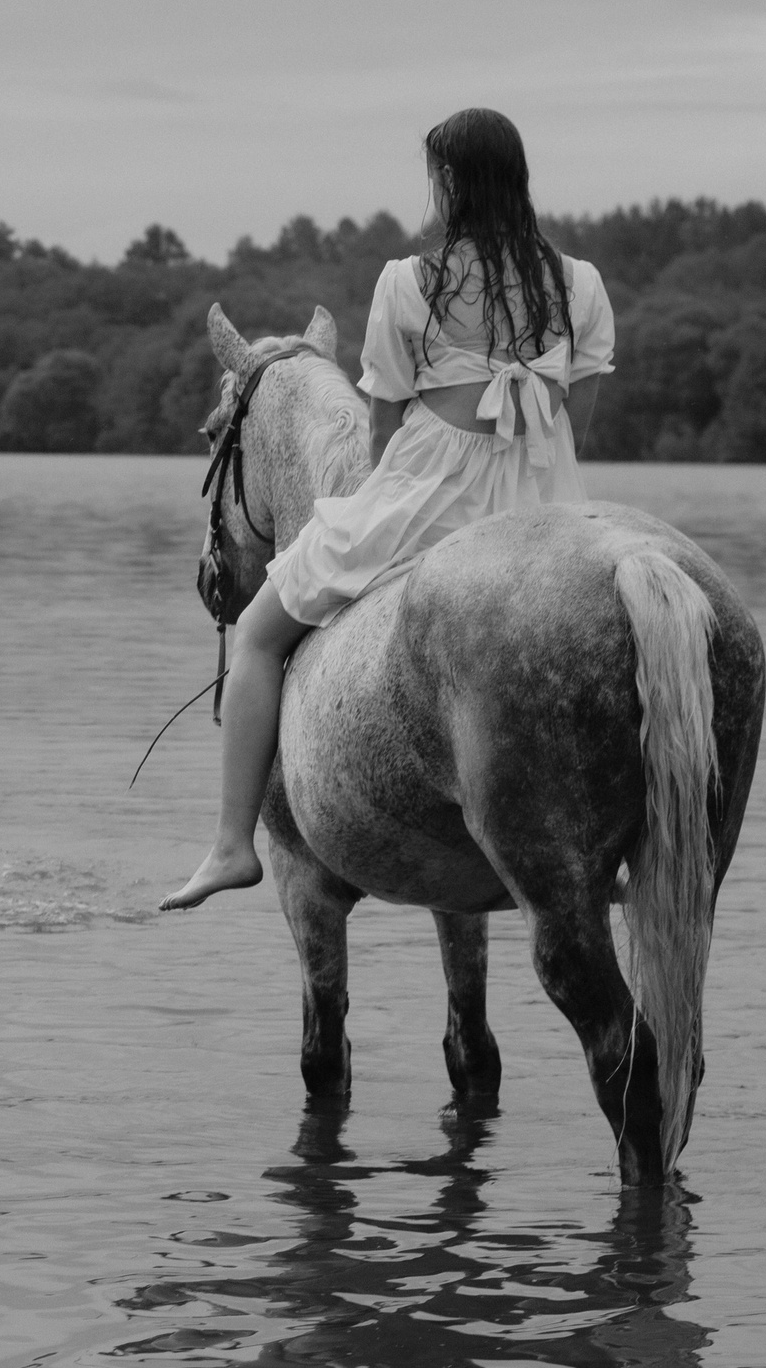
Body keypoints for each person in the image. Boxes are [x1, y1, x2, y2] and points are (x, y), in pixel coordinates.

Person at [163, 107, 616, 911]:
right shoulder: (579, 284)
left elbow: (383, 420)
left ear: (450, 182)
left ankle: (232, 844)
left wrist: (373, 497)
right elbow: (578, 420)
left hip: (430, 493)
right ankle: (608, 846)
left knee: (262, 637)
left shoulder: (409, 282)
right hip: (546, 503)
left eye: (432, 174)